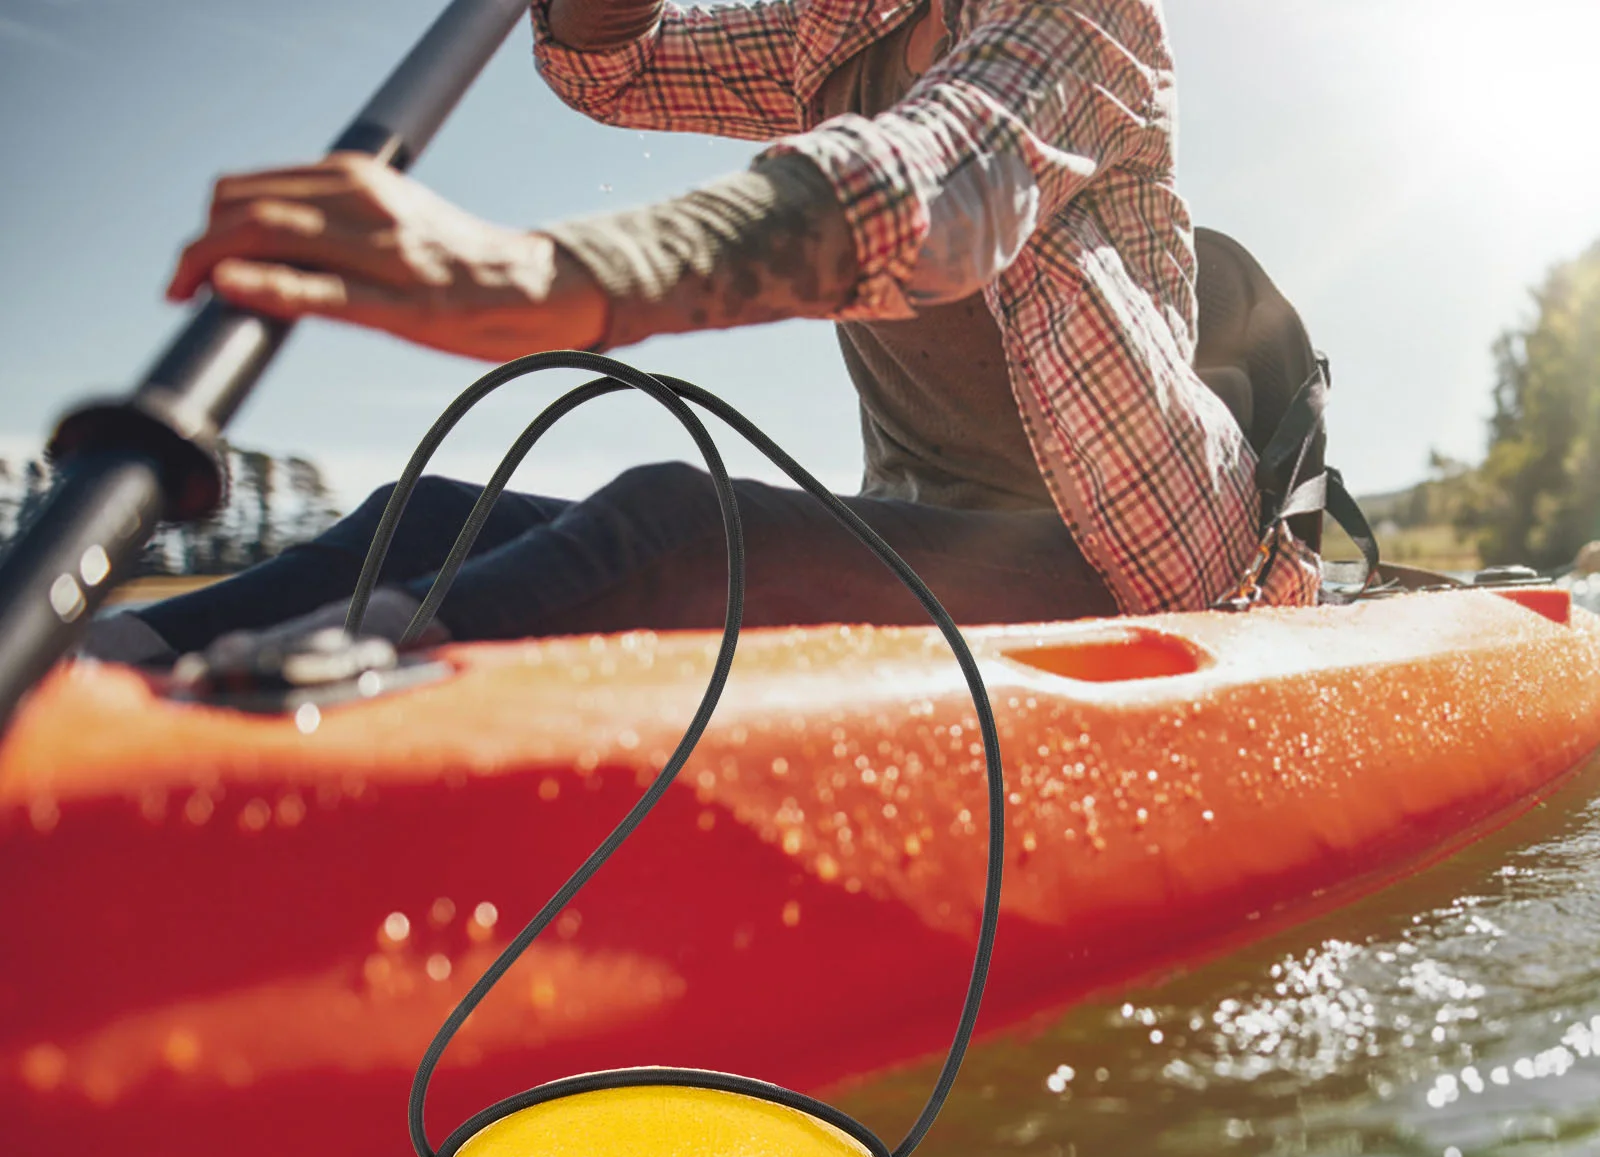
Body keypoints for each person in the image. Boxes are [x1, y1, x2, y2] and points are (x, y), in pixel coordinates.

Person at [83, 0, 1322, 669]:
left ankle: (281, 711)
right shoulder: (830, 33)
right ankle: (101, 656)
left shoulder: (1088, 22)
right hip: (934, 537)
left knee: (667, 520)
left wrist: (531, 273)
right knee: (422, 512)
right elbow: (611, 67)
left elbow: (937, 186)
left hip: (1126, 560)